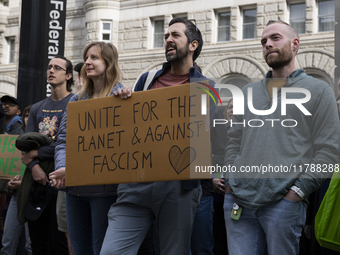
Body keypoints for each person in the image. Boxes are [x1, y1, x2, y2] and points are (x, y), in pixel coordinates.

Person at [99, 17, 219, 255]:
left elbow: (211, 139)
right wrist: (123, 102)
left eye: (175, 35)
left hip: (179, 188)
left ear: (193, 45)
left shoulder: (206, 87)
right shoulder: (146, 80)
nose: (168, 40)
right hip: (135, 183)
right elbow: (127, 127)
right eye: (166, 36)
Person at [224, 20, 340, 255]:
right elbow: (234, 140)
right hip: (238, 202)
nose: (267, 44)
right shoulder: (248, 92)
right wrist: (230, 180)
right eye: (264, 41)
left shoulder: (319, 91)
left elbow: (329, 151)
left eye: (275, 38)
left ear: (295, 44)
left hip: (284, 205)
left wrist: (297, 193)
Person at [50, 42, 125, 255]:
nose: (87, 62)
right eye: (86, 58)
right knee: (80, 248)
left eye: (94, 58)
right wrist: (64, 169)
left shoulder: (122, 96)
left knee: (100, 248)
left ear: (108, 62)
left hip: (105, 191)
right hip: (75, 190)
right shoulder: (76, 100)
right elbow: (63, 141)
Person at [20, 55, 74, 255]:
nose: (51, 70)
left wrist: (36, 152)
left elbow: (69, 143)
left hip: (63, 174)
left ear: (68, 75)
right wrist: (34, 167)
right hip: (37, 178)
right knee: (38, 238)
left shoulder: (74, 102)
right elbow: (26, 144)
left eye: (57, 68)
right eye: (49, 67)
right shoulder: (37, 108)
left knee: (59, 237)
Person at [0, 106, 32, 255]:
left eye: (30, 115)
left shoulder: (44, 143)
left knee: (31, 245)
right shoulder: (14, 140)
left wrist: (24, 183)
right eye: (26, 115)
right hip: (15, 196)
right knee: (7, 244)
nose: (27, 118)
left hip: (33, 197)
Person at [210, 99, 233, 255]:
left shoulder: (251, 133)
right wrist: (211, 178)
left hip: (240, 197)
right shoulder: (217, 131)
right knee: (218, 242)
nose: (232, 110)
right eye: (230, 107)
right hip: (217, 195)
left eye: (237, 108)